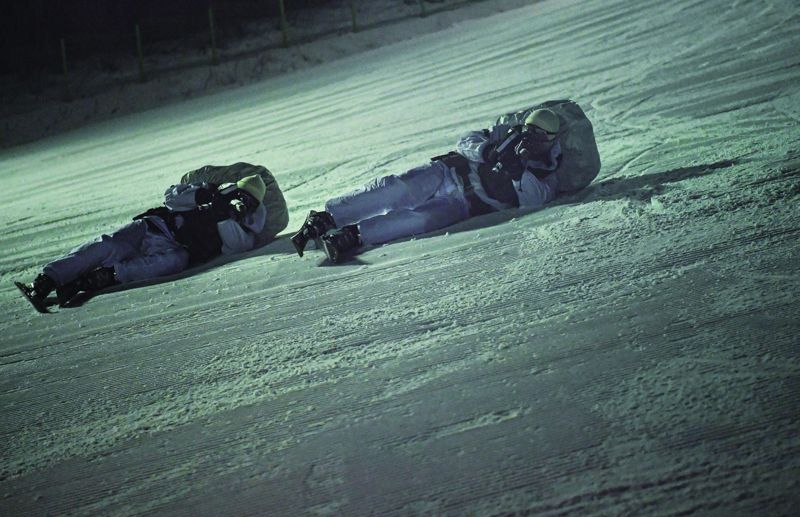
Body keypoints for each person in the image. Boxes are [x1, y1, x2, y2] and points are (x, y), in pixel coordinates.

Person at [291, 108, 563, 263]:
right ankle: (328, 217)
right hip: (448, 172)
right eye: (529, 130)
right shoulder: (506, 134)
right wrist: (487, 151)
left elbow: (537, 200)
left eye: (539, 135)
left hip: (467, 204)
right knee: (395, 188)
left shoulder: (549, 167)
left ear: (551, 139)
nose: (531, 138)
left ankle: (353, 235)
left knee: (418, 221)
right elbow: (466, 140)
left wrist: (519, 174)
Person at [17, 174, 268, 311]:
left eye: (247, 202)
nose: (240, 203)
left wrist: (224, 215)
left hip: (177, 249)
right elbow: (170, 197)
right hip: (153, 227)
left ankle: (99, 278)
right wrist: (202, 195)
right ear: (233, 189)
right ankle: (45, 281)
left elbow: (237, 247)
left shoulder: (242, 226)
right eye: (239, 196)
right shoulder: (210, 191)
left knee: (173, 262)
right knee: (108, 246)